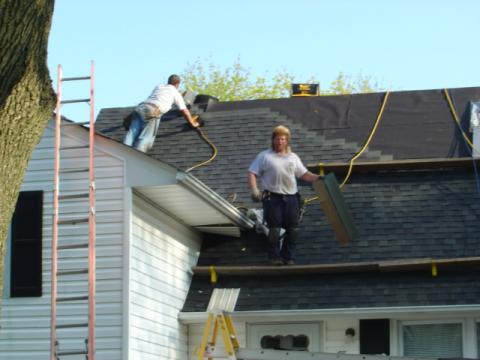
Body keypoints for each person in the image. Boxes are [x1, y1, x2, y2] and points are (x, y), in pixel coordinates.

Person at [248, 125, 320, 266]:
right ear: (273, 140)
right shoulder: (264, 156)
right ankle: (275, 257)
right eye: (277, 139)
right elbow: (252, 172)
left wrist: (318, 178)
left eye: (283, 139)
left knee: (293, 229)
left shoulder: (293, 157)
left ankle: (289, 257)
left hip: (291, 197)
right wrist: (254, 189)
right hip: (272, 197)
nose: (280, 141)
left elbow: (304, 174)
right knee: (274, 229)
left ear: (287, 141)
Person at [123, 74, 199, 152]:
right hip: (152, 111)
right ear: (177, 84)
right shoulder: (175, 92)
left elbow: (160, 96)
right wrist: (192, 123)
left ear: (168, 81)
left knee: (131, 134)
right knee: (146, 138)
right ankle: (138, 157)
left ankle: (123, 152)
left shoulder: (159, 86)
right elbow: (184, 111)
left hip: (140, 108)